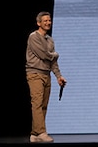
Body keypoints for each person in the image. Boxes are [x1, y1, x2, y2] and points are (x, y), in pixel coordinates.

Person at [25, 12, 67, 143]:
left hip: (46, 74)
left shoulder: (50, 40)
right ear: (39, 23)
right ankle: (42, 132)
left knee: (43, 104)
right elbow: (44, 55)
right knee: (36, 103)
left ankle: (35, 133)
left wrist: (58, 76)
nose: (48, 23)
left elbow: (52, 61)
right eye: (45, 21)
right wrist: (55, 54)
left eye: (49, 20)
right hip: (35, 74)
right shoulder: (34, 37)